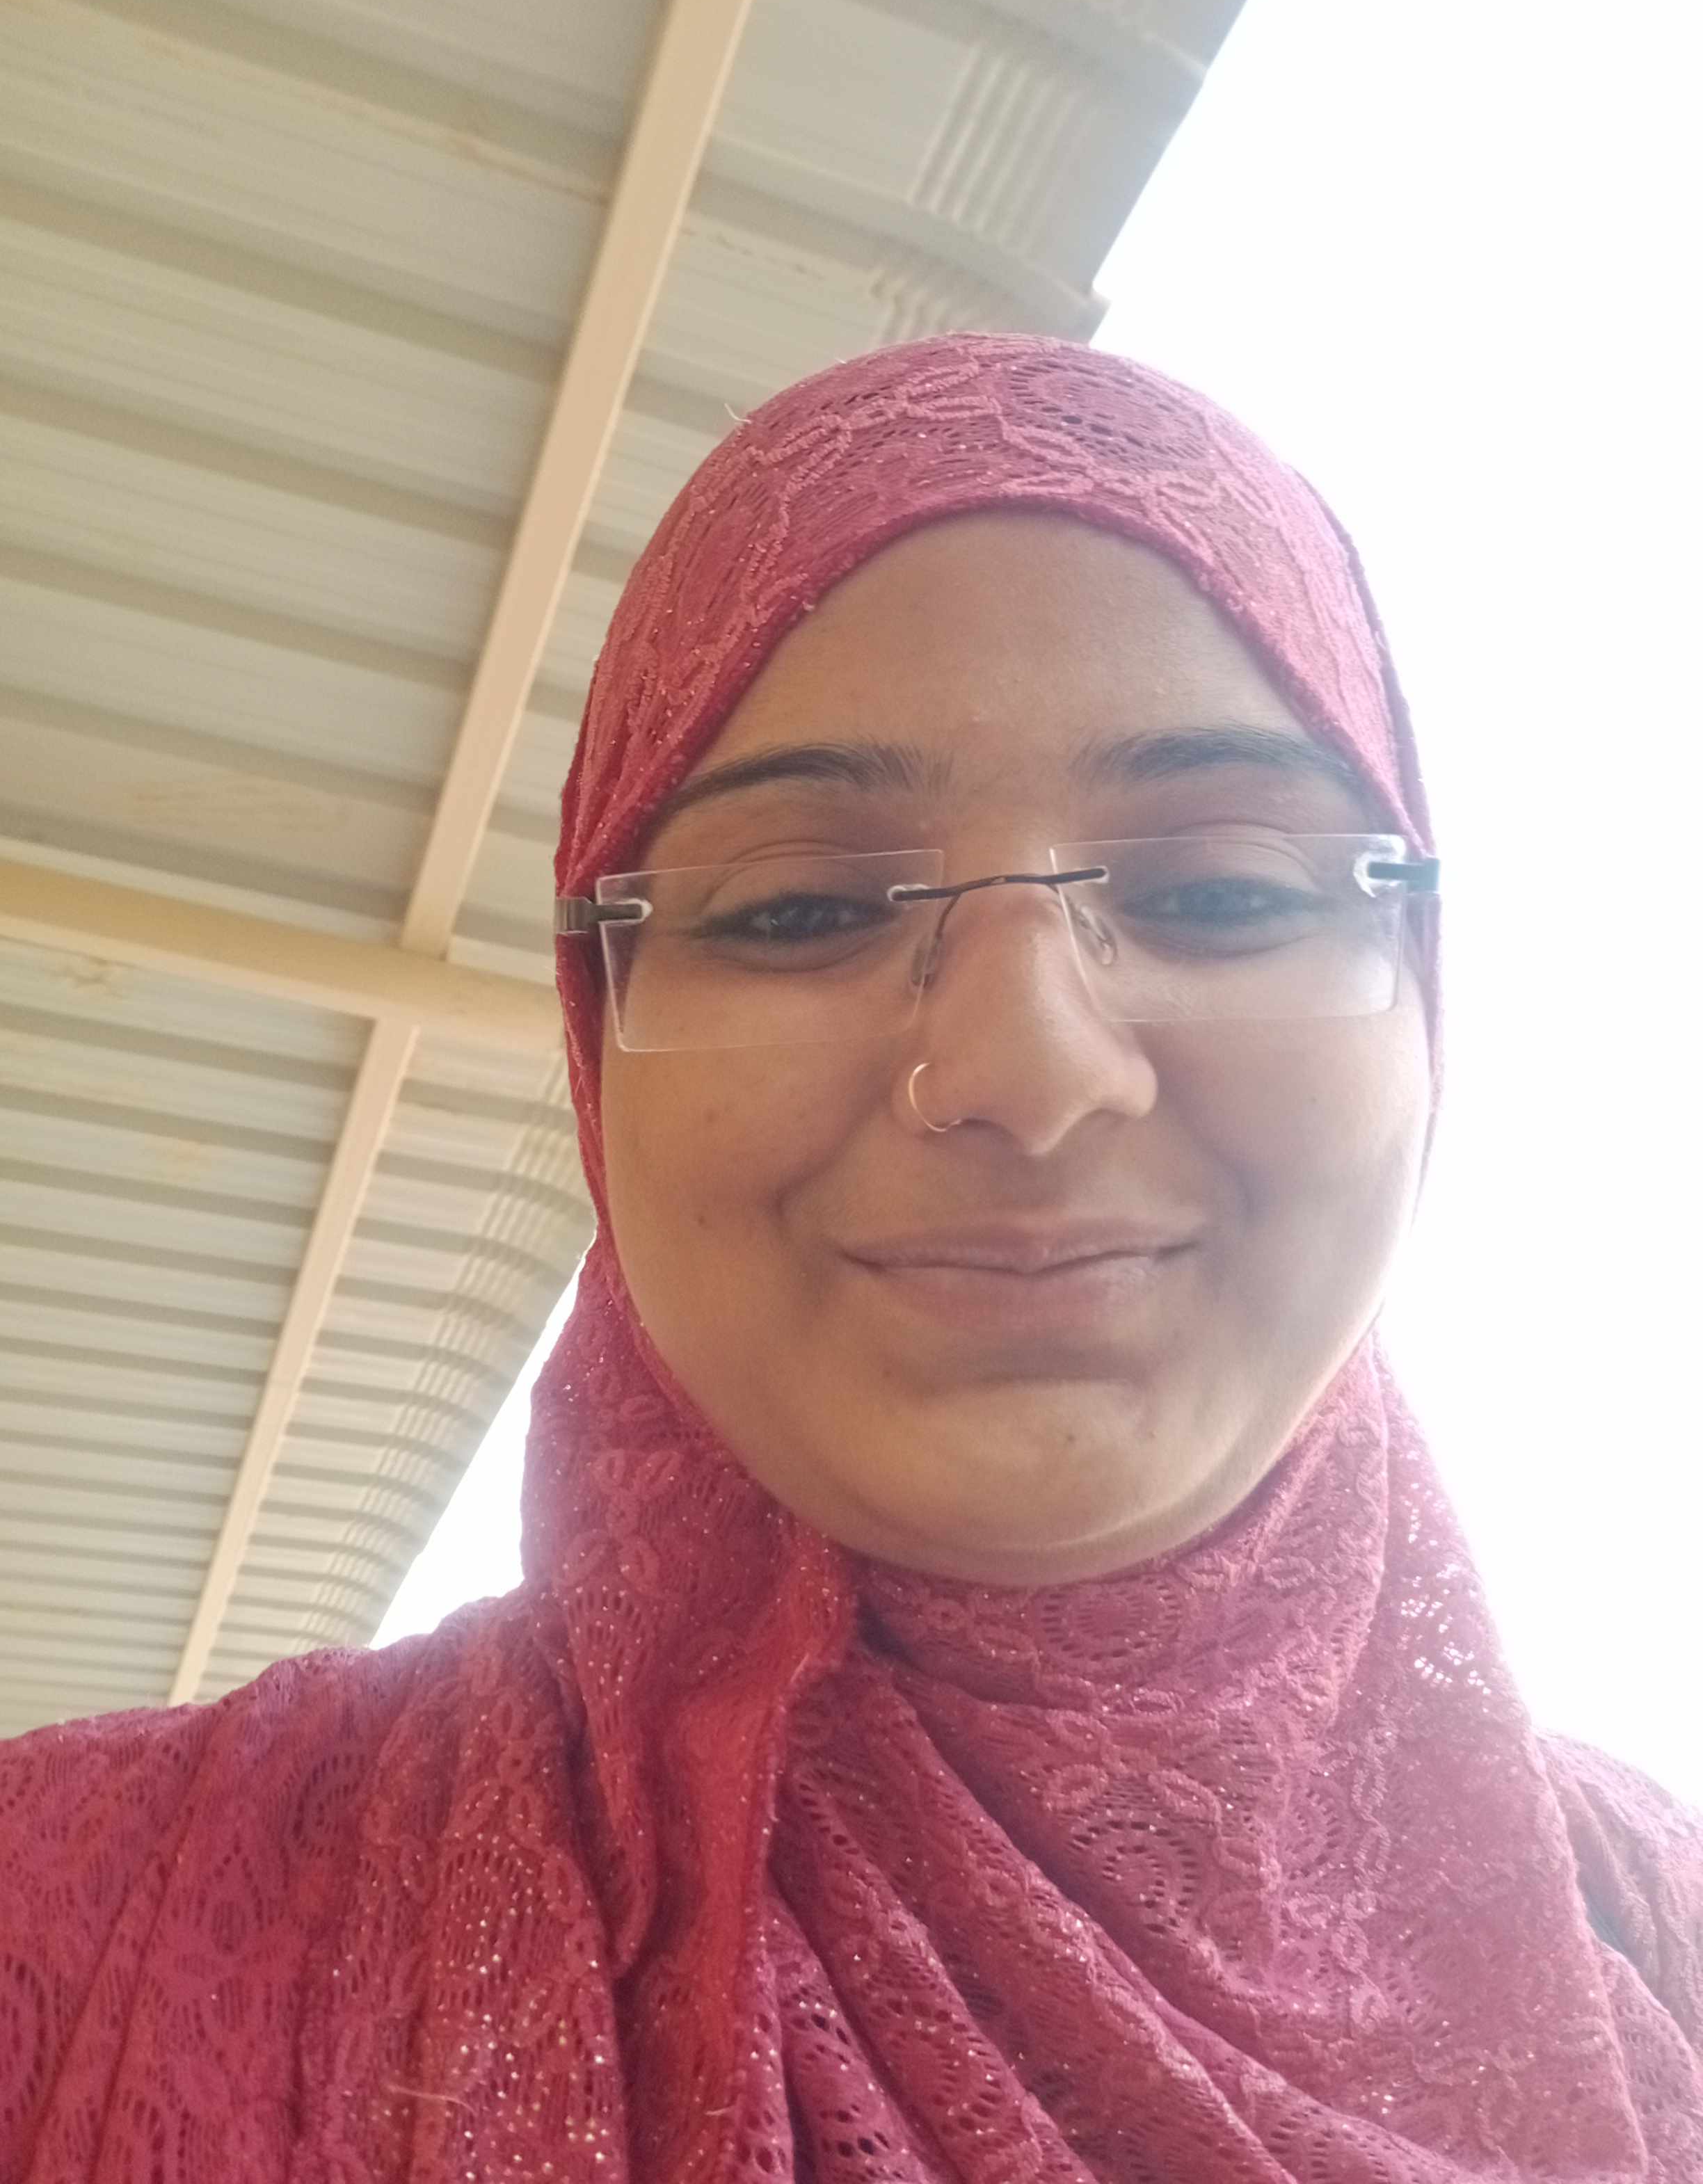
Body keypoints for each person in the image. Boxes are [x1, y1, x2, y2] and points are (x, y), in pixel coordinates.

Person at [1, 336, 1697, 2182]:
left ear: (1428, 1001)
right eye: (797, 908)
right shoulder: (73, 1934)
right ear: (595, 1044)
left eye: (1220, 891)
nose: (1026, 1068)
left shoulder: (1665, 1946)